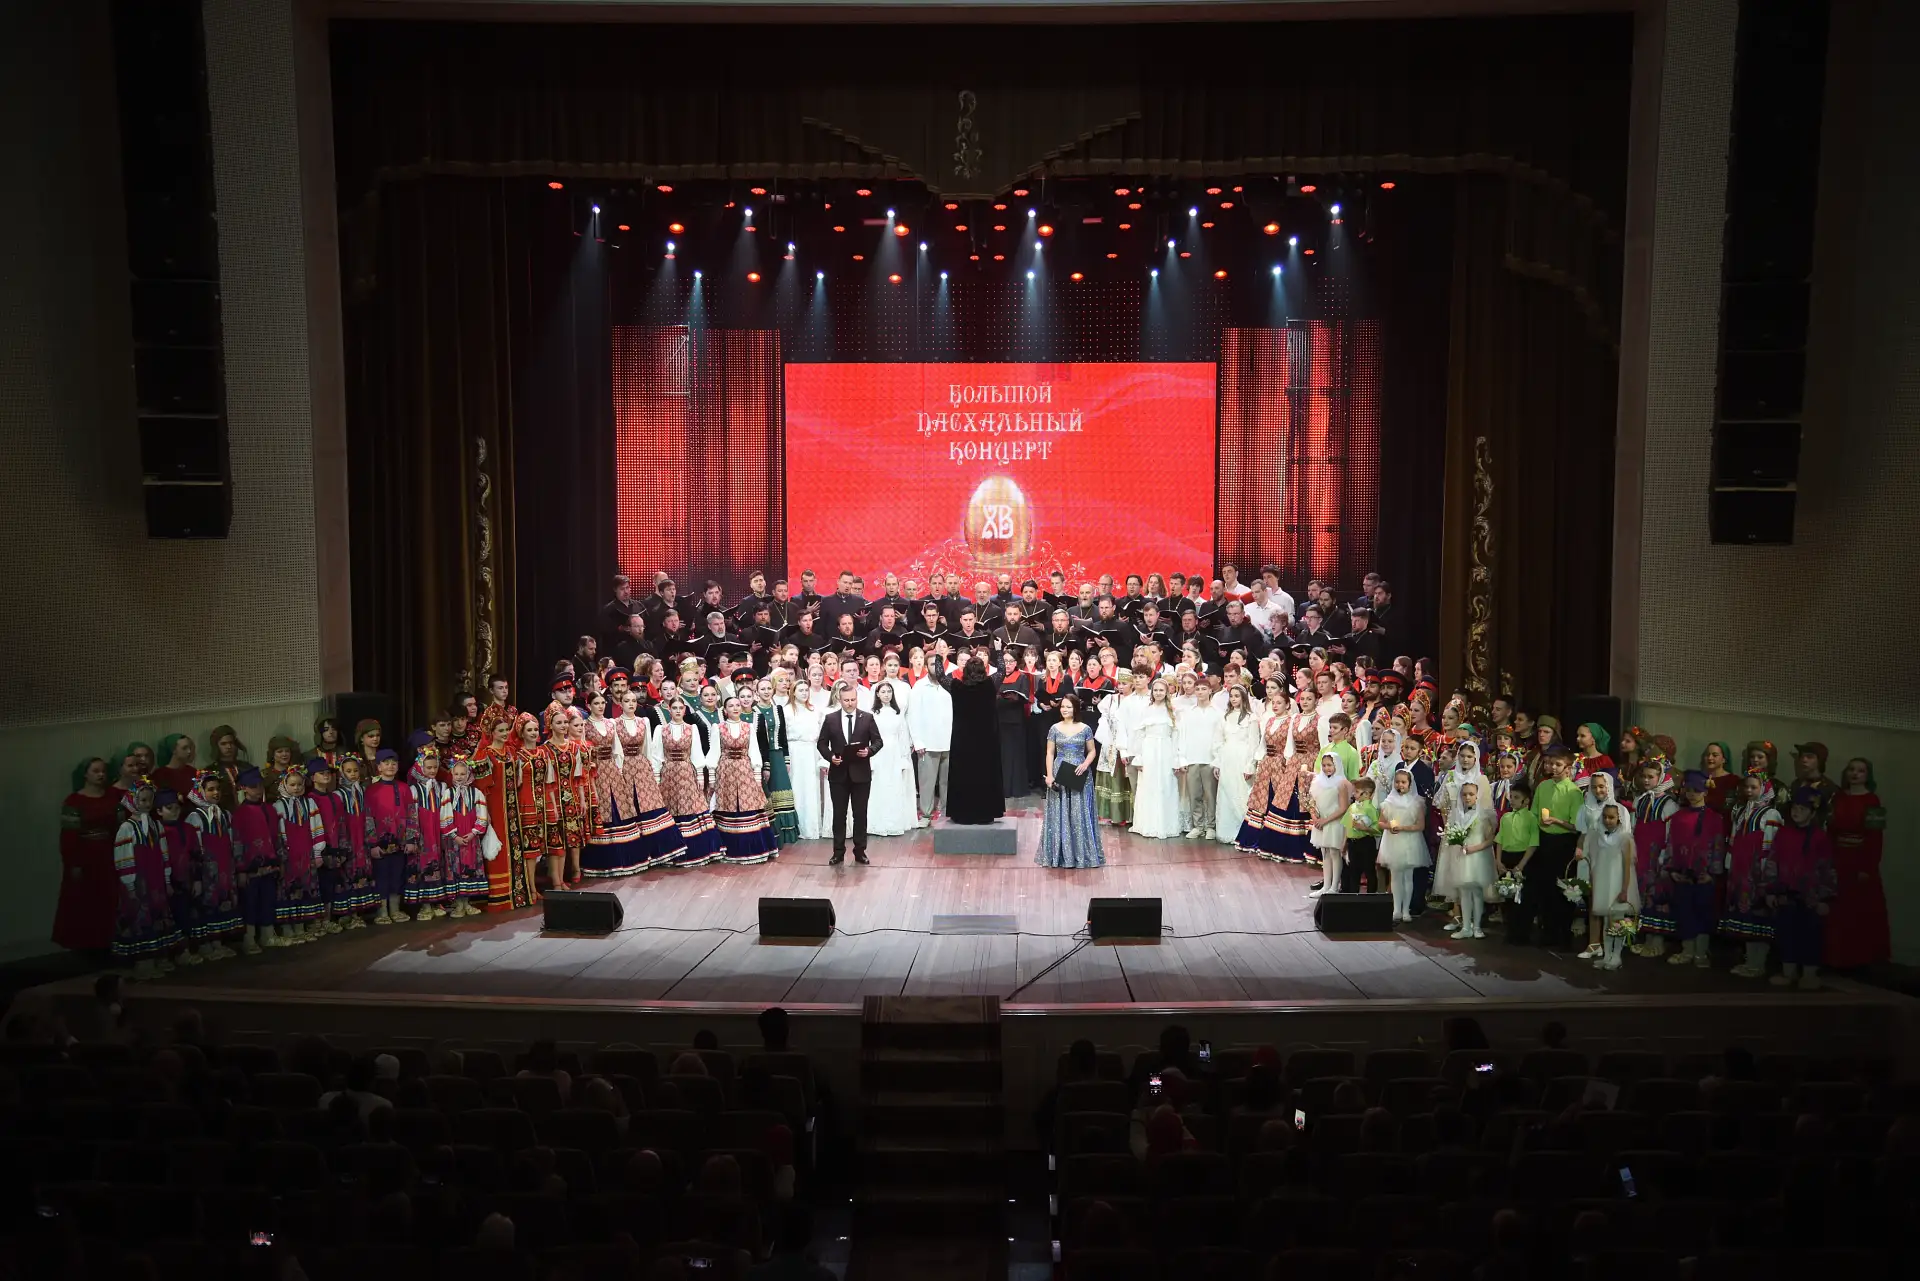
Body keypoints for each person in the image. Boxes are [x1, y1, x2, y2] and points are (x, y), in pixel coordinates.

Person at [1769, 787, 1836, 990]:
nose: (1797, 812)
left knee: (1810, 935)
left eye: (1802, 809)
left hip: (1811, 897)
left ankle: (1809, 974)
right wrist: (1771, 890)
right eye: (1794, 808)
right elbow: (1773, 862)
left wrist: (1825, 898)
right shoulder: (1783, 834)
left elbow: (1827, 869)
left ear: (1813, 813)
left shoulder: (1819, 837)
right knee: (1787, 934)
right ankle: (1788, 972)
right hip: (1786, 895)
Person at [1825, 757, 1887, 970]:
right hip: (1838, 858)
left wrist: (1867, 867)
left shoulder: (1873, 800)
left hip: (1860, 860)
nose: (1855, 774)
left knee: (1859, 911)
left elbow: (1875, 837)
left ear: (1867, 775)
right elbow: (1831, 831)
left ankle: (1860, 960)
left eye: (1860, 771)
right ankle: (1835, 958)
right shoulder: (1838, 797)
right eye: (1851, 769)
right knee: (1837, 910)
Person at [931, 650, 1006, 825]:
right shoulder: (990, 684)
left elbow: (940, 676)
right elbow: (1002, 671)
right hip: (986, 741)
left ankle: (963, 813)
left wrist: (939, 657)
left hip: (962, 741)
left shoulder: (956, 686)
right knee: (985, 774)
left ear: (965, 671)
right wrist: (998, 651)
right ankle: (986, 813)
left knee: (963, 775)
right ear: (983, 670)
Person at [57, 757, 122, 952]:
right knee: (86, 901)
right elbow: (69, 836)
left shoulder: (112, 798)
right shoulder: (74, 801)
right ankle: (87, 946)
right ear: (85, 774)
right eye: (95, 771)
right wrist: (73, 863)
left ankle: (111, 942)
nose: (101, 774)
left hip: (109, 855)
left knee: (110, 899)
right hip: (86, 857)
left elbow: (120, 826)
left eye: (103, 771)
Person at [1662, 770, 1725, 969]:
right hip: (1682, 872)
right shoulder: (1678, 816)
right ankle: (1687, 950)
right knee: (1684, 912)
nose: (1691, 794)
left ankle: (1701, 952)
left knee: (1703, 913)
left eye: (1696, 790)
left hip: (1704, 874)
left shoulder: (1715, 818)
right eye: (1688, 790)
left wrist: (1713, 873)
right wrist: (1672, 869)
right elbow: (1671, 842)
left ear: (1705, 792)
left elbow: (1718, 846)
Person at [1723, 769, 1782, 978]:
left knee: (1759, 918)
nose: (1749, 791)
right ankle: (1750, 961)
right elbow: (1733, 838)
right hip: (1741, 870)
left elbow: (1771, 845)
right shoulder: (1741, 811)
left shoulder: (1771, 814)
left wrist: (1765, 873)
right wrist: (1730, 863)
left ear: (1764, 789)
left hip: (1758, 872)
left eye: (1754, 787)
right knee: (1745, 918)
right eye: (1746, 787)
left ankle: (1759, 963)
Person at [817, 680, 883, 865]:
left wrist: (869, 751)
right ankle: (838, 852)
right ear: (840, 699)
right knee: (839, 815)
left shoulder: (867, 718)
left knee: (860, 814)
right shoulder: (830, 719)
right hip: (838, 774)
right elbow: (821, 744)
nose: (850, 703)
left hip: (861, 774)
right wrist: (831, 757)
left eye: (853, 699)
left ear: (857, 699)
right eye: (846, 700)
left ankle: (860, 851)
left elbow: (878, 741)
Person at [654, 696, 723, 868]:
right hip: (669, 774)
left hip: (687, 773)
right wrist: (657, 778)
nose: (678, 711)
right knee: (670, 807)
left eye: (680, 708)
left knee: (691, 807)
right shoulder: (661, 730)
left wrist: (699, 776)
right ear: (669, 710)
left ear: (685, 710)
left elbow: (697, 753)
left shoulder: (692, 729)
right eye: (674, 708)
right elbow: (657, 755)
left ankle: (695, 850)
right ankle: (672, 850)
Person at [1039, 695, 1103, 869]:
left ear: (1075, 708)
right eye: (1062, 707)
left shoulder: (1085, 728)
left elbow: (1092, 751)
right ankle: (1060, 855)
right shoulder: (1054, 728)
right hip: (1060, 771)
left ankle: (1081, 855)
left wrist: (1085, 764)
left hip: (1079, 772)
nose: (1064, 710)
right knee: (1059, 811)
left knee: (1079, 812)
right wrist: (1050, 775)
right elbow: (1050, 753)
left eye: (1068, 707)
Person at [713, 698, 780, 865]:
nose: (735, 708)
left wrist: (757, 776)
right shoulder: (718, 728)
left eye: (737, 705)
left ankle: (753, 849)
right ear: (725, 710)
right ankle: (731, 850)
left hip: (745, 769)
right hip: (726, 771)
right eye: (731, 706)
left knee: (748, 805)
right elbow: (714, 753)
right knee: (728, 806)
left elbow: (754, 751)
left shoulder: (748, 727)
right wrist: (713, 777)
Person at [1528, 748, 1583, 949]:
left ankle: (1563, 935)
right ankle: (1547, 932)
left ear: (1568, 768)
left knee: (1563, 888)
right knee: (1545, 887)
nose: (1553, 767)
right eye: (1551, 763)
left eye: (1558, 764)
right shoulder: (1543, 786)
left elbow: (1577, 825)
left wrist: (1556, 821)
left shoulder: (1574, 792)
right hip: (1544, 840)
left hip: (1563, 843)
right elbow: (1534, 815)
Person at [1581, 799, 1639, 970]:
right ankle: (1607, 955)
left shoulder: (1625, 838)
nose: (1608, 820)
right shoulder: (1598, 836)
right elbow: (1595, 860)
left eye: (1612, 817)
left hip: (1618, 882)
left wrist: (1624, 889)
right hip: (1604, 882)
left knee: (1618, 921)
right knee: (1607, 921)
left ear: (1619, 818)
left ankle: (1617, 956)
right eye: (1605, 817)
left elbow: (1627, 866)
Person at [1128, 677, 1183, 839]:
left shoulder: (1172, 711)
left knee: (1165, 785)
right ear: (1152, 692)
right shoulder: (1146, 710)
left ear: (1167, 692)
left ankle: (1165, 824)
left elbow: (1176, 736)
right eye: (1156, 690)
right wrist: (1139, 757)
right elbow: (1139, 735)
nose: (1158, 693)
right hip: (1149, 750)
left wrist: (1176, 759)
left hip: (1166, 750)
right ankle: (1147, 824)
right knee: (1148, 785)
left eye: (1161, 690)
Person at [1211, 683, 1263, 845]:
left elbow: (1254, 744)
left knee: (1242, 795)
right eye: (1231, 696)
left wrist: (1250, 766)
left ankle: (1245, 834)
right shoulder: (1225, 717)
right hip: (1227, 759)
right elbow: (1218, 741)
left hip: (1242, 758)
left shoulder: (1251, 718)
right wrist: (1217, 763)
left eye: (1237, 696)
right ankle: (1227, 832)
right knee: (1226, 794)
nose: (1233, 699)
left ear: (1243, 697)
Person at [865, 681, 918, 836]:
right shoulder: (872, 713)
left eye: (889, 691)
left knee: (894, 786)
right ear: (877, 694)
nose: (886, 695)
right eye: (883, 692)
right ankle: (877, 823)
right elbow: (868, 737)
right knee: (878, 786)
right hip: (878, 752)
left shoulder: (897, 712)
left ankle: (894, 822)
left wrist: (903, 758)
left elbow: (902, 736)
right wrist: (870, 758)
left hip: (894, 752)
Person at [1378, 767, 1429, 924]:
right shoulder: (1388, 802)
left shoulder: (1417, 802)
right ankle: (1396, 909)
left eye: (1403, 782)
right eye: (1397, 782)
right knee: (1395, 877)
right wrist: (1389, 826)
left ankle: (1406, 910)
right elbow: (1381, 822)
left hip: (1410, 841)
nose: (1400, 785)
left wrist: (1403, 828)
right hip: (1393, 841)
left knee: (1408, 877)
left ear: (1409, 784)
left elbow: (1420, 825)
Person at [907, 655, 953, 826]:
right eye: (933, 664)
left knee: (947, 782)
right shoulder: (919, 687)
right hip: (928, 743)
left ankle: (948, 812)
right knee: (927, 783)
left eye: (939, 663)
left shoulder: (950, 685)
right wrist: (917, 740)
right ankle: (926, 814)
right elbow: (913, 715)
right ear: (926, 667)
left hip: (949, 741)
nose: (936, 667)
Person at [753, 681, 801, 846]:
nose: (766, 692)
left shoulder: (777, 709)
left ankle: (786, 833)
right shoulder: (753, 711)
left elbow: (783, 735)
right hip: (762, 756)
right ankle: (771, 834)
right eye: (762, 689)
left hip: (778, 755)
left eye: (768, 688)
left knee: (782, 790)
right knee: (767, 793)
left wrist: (786, 758)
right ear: (757, 692)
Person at [1307, 749, 1352, 899]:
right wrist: (1315, 818)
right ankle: (1326, 886)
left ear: (1336, 766)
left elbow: (1343, 808)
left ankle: (1334, 886)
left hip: (1334, 822)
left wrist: (1325, 820)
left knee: (1334, 852)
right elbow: (1312, 802)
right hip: (1321, 822)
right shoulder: (1317, 781)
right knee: (1325, 853)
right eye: (1324, 765)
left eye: (1330, 765)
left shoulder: (1341, 783)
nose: (1327, 768)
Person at [995, 647, 1035, 801]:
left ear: (1016, 663)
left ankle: (1016, 787)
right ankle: (1003, 788)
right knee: (1002, 755)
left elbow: (1024, 697)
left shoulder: (1022, 677)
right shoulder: (997, 677)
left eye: (1011, 661)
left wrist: (1010, 698)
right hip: (1000, 720)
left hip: (1016, 721)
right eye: (1005, 661)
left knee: (1016, 755)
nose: (1008, 664)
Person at [1339, 776, 1383, 893]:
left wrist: (1365, 828)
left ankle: (1371, 896)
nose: (1354, 794)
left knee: (1369, 870)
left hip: (1366, 842)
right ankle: (1354, 896)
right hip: (1353, 843)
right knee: (1354, 871)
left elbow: (1378, 830)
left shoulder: (1371, 809)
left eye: (1357, 791)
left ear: (1367, 794)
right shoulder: (1352, 807)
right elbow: (1348, 826)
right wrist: (1344, 843)